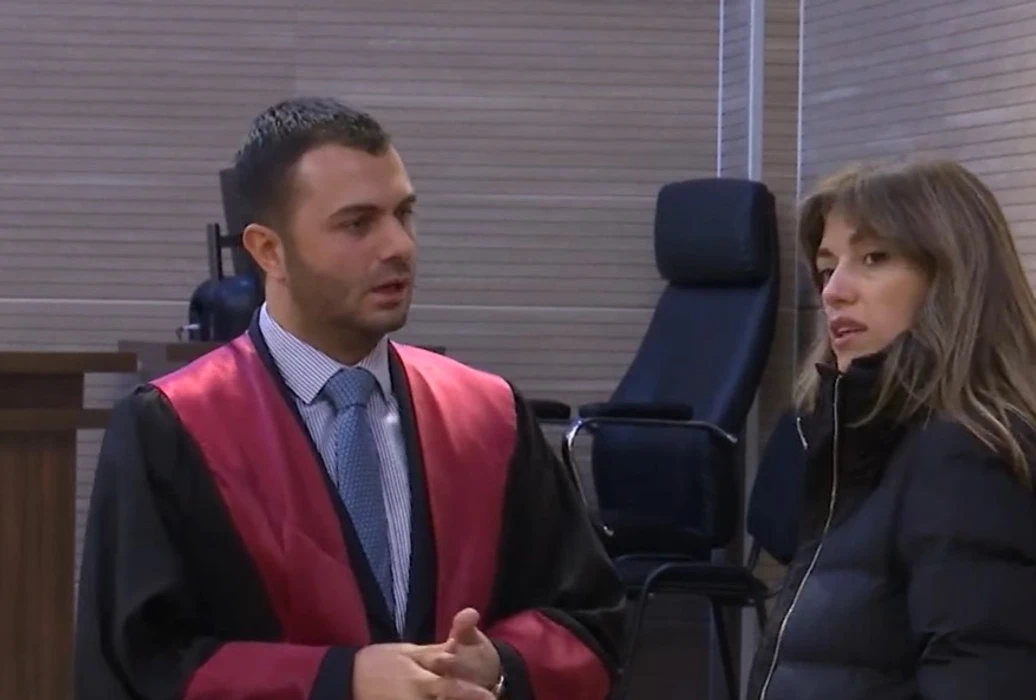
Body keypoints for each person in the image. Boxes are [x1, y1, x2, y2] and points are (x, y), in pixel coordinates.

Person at [74, 97, 626, 700]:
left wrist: (498, 666)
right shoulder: (172, 427)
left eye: (404, 214)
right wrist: (342, 682)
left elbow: (587, 620)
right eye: (358, 224)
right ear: (268, 251)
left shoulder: (487, 417)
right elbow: (139, 665)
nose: (398, 245)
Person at [747, 157, 1036, 700]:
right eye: (827, 269)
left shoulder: (965, 455)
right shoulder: (878, 442)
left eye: (874, 258)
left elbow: (980, 676)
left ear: (952, 278)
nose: (833, 292)